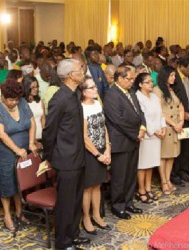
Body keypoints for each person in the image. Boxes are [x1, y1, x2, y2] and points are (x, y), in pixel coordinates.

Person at [43, 59, 90, 249]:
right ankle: (62, 242)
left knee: (76, 200)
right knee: (65, 203)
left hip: (78, 157)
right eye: (80, 69)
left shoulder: (74, 94)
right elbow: (49, 131)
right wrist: (49, 157)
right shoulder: (59, 98)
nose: (83, 71)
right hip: (65, 159)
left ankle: (73, 235)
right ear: (71, 75)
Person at [0, 78, 38, 231]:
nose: (14, 103)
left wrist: (31, 143)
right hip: (6, 152)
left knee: (20, 181)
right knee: (7, 183)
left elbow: (32, 123)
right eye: (11, 100)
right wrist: (17, 150)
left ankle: (19, 212)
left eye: (16, 99)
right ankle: (7, 216)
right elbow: (0, 133)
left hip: (24, 148)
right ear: (3, 96)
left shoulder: (22, 103)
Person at [104, 66, 146, 220]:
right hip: (121, 141)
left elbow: (140, 112)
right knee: (120, 177)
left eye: (133, 79)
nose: (132, 82)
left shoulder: (131, 92)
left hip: (134, 139)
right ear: (120, 79)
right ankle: (118, 206)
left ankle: (129, 202)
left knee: (130, 174)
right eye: (129, 79)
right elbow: (117, 120)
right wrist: (135, 134)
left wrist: (142, 127)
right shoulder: (111, 94)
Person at [80, 77, 111, 234]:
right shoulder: (81, 108)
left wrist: (107, 149)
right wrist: (98, 154)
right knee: (88, 187)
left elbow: (103, 127)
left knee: (98, 185)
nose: (95, 89)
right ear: (84, 92)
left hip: (101, 149)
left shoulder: (97, 103)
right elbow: (84, 137)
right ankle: (86, 217)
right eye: (91, 88)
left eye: (95, 87)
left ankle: (97, 215)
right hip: (89, 153)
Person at [134, 73, 166, 202]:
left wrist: (163, 127)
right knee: (143, 165)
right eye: (147, 82)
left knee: (151, 163)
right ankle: (141, 190)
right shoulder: (137, 97)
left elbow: (160, 114)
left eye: (151, 81)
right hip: (147, 136)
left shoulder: (154, 96)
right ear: (140, 84)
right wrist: (154, 131)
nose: (151, 84)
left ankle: (148, 188)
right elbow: (143, 118)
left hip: (157, 135)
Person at [153, 66, 184, 194]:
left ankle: (168, 178)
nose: (174, 78)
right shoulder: (157, 90)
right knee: (163, 156)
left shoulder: (173, 89)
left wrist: (181, 122)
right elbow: (159, 111)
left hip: (176, 127)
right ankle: (163, 181)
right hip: (166, 127)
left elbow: (180, 106)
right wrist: (173, 124)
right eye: (171, 75)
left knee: (171, 155)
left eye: (174, 76)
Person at [22, 76, 46, 143]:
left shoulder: (40, 101)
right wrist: (34, 141)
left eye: (37, 87)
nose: (36, 89)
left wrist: (45, 135)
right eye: (33, 87)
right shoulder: (22, 103)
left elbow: (43, 119)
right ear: (26, 87)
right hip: (29, 138)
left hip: (41, 136)